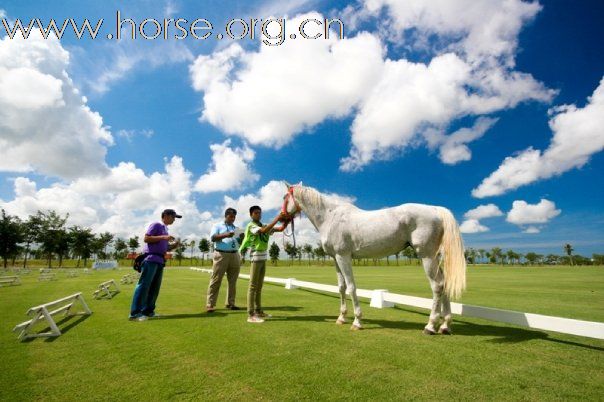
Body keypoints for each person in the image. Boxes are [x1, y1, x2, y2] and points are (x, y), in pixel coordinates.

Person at [129, 209, 181, 321]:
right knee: (144, 286)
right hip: (150, 259)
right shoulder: (156, 225)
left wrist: (174, 246)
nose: (174, 219)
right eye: (173, 217)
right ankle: (135, 314)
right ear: (166, 215)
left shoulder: (165, 230)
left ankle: (148, 311)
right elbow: (146, 238)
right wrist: (163, 237)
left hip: (159, 260)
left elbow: (165, 248)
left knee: (154, 288)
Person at [239, 206, 288, 323]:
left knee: (259, 286)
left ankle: (258, 310)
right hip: (255, 258)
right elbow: (263, 231)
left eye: (260, 213)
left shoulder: (264, 225)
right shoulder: (251, 226)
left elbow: (280, 229)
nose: (258, 215)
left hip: (263, 258)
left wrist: (287, 220)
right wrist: (277, 217)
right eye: (256, 213)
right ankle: (250, 315)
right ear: (251, 215)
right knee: (252, 286)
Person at [206, 207, 243, 312]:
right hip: (221, 254)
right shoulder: (217, 225)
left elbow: (239, 242)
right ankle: (210, 304)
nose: (233, 218)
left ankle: (230, 303)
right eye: (231, 216)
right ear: (226, 216)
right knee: (216, 279)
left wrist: (242, 237)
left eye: (234, 217)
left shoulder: (236, 228)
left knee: (233, 281)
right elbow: (213, 238)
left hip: (235, 254)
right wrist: (226, 234)